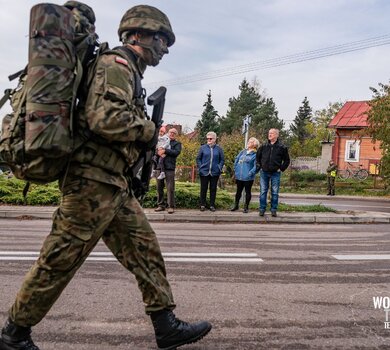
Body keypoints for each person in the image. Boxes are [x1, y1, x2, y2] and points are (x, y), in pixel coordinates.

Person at [0, 5, 211, 350]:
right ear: (138, 36)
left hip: (113, 183)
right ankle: (14, 334)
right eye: (161, 39)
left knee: (145, 251)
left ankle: (165, 323)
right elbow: (105, 120)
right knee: (59, 259)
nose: (165, 47)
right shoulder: (117, 65)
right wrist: (148, 130)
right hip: (91, 183)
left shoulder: (130, 72)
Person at [256, 128, 290, 217]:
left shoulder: (282, 147)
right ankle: (262, 209)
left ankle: (273, 209)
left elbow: (287, 160)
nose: (269, 135)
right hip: (264, 172)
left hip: (276, 173)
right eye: (269, 133)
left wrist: (281, 168)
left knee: (274, 192)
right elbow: (257, 158)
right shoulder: (263, 146)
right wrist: (260, 167)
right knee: (263, 191)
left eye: (272, 133)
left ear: (277, 135)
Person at [154, 128, 182, 214]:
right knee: (159, 187)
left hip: (170, 168)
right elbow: (155, 151)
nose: (172, 134)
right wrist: (158, 152)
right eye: (171, 132)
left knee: (170, 188)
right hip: (159, 167)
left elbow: (176, 152)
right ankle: (160, 205)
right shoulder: (162, 141)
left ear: (176, 135)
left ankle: (170, 206)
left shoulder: (177, 144)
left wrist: (165, 150)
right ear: (168, 133)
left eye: (174, 133)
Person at [196, 131, 224, 212]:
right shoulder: (203, 148)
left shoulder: (219, 149)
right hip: (204, 172)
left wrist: (219, 167)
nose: (209, 140)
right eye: (207, 138)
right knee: (203, 189)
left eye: (210, 138)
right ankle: (202, 205)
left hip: (215, 172)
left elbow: (222, 160)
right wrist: (201, 167)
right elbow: (198, 158)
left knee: (213, 189)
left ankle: (212, 205)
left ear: (215, 139)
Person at [231, 137, 260, 213]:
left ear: (254, 145)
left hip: (248, 177)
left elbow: (256, 166)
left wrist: (250, 173)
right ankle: (236, 205)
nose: (248, 142)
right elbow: (236, 160)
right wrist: (235, 169)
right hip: (239, 176)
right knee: (238, 192)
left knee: (248, 192)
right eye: (248, 141)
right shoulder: (243, 152)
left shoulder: (255, 154)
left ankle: (246, 207)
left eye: (250, 142)